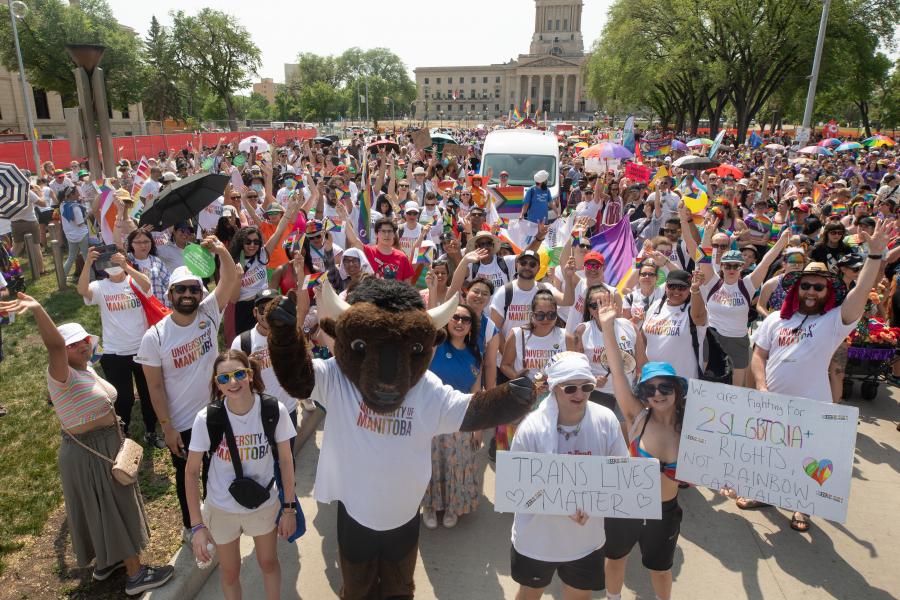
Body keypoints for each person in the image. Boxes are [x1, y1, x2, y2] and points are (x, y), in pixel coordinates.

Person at [0, 293, 174, 595]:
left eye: (83, 340)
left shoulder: (84, 366)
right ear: (61, 351)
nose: (82, 346)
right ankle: (136, 574)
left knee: (101, 508)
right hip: (90, 451)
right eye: (72, 344)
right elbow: (53, 345)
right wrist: (39, 310)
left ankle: (107, 561)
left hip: (102, 447)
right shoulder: (61, 374)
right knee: (114, 507)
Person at [739, 220, 889, 531]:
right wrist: (762, 386)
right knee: (771, 453)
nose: (810, 291)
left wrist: (874, 258)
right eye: (805, 285)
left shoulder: (835, 320)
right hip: (772, 402)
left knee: (806, 458)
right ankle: (764, 494)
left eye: (818, 287)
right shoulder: (778, 321)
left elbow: (860, 292)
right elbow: (759, 355)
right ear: (796, 288)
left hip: (812, 405)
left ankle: (802, 508)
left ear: (827, 292)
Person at [136, 237, 238, 541]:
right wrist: (167, 429)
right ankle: (189, 524)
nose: (188, 294)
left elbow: (230, 278)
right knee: (186, 476)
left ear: (201, 293)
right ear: (170, 295)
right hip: (182, 423)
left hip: (216, 412)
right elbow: (154, 388)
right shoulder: (154, 337)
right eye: (181, 289)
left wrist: (221, 251)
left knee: (216, 468)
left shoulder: (208, 314)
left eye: (194, 289)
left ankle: (212, 513)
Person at [509, 351, 627, 600]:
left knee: (579, 596)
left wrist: (593, 504)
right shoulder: (530, 429)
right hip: (537, 540)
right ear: (554, 388)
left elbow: (620, 475)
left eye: (587, 386)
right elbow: (517, 488)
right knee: (530, 593)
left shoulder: (606, 421)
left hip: (586, 540)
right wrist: (563, 504)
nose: (580, 394)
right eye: (570, 388)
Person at [185, 349, 296, 600]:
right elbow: (191, 472)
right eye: (224, 378)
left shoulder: (271, 409)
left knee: (268, 562)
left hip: (263, 504)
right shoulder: (207, 418)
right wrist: (197, 526)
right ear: (217, 383)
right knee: (230, 572)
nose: (232, 382)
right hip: (222, 507)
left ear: (250, 374)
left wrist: (289, 509)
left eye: (238, 374)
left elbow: (287, 461)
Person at [598, 293, 687, 600]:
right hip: (627, 504)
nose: (658, 393)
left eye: (665, 387)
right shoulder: (637, 417)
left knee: (661, 569)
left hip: (665, 511)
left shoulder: (691, 430)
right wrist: (608, 329)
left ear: (676, 390)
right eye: (650, 388)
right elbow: (618, 372)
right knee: (615, 559)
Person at [76, 246, 164, 446]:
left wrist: (127, 267)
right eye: (110, 262)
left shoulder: (135, 280)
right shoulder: (100, 286)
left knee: (148, 394)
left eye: (118, 261)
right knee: (123, 399)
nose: (114, 266)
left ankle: (151, 431)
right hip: (114, 353)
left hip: (143, 350)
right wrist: (88, 262)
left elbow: (147, 285)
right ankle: (123, 435)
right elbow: (82, 291)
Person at [422, 304, 483, 530]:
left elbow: (476, 392)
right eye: (454, 317)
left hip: (460, 417)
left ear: (470, 327)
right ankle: (429, 506)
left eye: (465, 320)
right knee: (430, 463)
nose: (459, 322)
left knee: (457, 464)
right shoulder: (434, 347)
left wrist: (478, 426)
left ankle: (451, 507)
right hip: (431, 415)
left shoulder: (476, 354)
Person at [230, 289, 301, 441]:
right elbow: (232, 380)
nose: (268, 314)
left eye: (273, 308)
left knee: (287, 460)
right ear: (255, 312)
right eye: (263, 309)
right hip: (258, 412)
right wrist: (246, 368)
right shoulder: (242, 342)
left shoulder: (288, 334)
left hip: (288, 409)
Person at [567, 284, 637, 412]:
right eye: (594, 305)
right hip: (597, 395)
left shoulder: (629, 326)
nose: (599, 309)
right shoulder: (581, 331)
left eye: (603, 303)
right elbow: (574, 367)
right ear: (589, 309)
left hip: (627, 393)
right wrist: (592, 380)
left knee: (626, 432)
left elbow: (642, 362)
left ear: (613, 303)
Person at [638, 269, 708, 379]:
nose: (676, 291)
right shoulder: (656, 306)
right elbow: (644, 338)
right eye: (672, 286)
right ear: (666, 286)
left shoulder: (693, 308)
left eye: (682, 287)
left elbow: (699, 318)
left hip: (683, 381)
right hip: (652, 379)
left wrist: (695, 288)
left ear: (689, 289)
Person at [338, 201, 415, 283]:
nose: (386, 234)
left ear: (394, 234)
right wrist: (343, 218)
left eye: (390, 231)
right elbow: (353, 239)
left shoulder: (402, 257)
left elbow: (407, 285)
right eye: (383, 231)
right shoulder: (368, 252)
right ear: (376, 233)